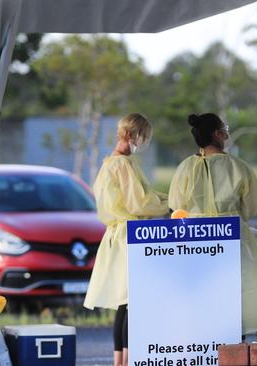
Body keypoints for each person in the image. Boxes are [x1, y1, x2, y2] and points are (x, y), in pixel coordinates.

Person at [168, 113, 257, 334]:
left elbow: (176, 204)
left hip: (195, 238)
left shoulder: (185, 167)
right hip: (232, 235)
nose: (226, 131)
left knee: (201, 294)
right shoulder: (238, 166)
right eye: (223, 128)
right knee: (234, 293)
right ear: (217, 134)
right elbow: (255, 205)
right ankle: (233, 346)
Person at [84, 113, 169, 366]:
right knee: (136, 301)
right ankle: (130, 360)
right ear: (131, 135)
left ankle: (119, 361)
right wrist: (170, 203)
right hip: (131, 236)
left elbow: (138, 196)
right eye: (144, 137)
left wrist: (162, 199)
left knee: (125, 303)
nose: (144, 143)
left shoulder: (108, 162)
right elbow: (139, 201)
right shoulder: (124, 164)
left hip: (115, 236)